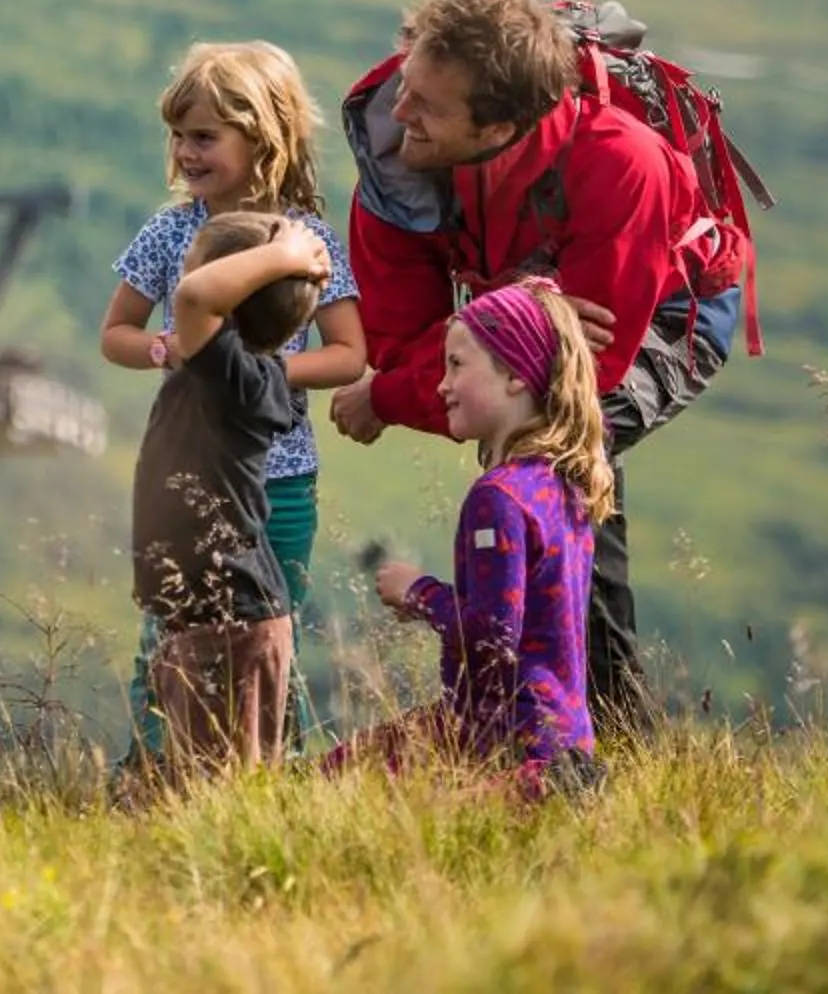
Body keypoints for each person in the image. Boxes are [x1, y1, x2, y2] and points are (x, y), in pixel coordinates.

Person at [327, 0, 744, 734]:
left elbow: (583, 377)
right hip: (532, 314)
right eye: (405, 87)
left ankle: (590, 727)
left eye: (428, 107)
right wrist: (514, 327)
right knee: (518, 427)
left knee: (553, 455)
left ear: (502, 125)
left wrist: (396, 391)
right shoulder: (401, 162)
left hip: (673, 312)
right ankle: (544, 712)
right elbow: (405, 344)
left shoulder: (620, 165)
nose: (400, 116)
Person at [99, 41, 366, 756]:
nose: (186, 152)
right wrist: (165, 351)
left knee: (267, 635)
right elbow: (117, 332)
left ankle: (270, 773)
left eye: (205, 136)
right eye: (179, 135)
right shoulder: (170, 231)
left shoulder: (307, 243)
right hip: (190, 484)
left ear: (264, 137)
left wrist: (257, 373)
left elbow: (348, 354)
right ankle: (151, 766)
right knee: (170, 639)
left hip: (280, 482)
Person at [331, 282, 611, 798]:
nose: (441, 385)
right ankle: (563, 783)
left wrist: (418, 592)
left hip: (504, 735)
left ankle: (532, 790)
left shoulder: (499, 497)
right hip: (564, 733)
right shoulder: (560, 486)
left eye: (457, 365)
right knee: (351, 765)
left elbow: (491, 636)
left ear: (513, 375)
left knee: (331, 784)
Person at [131, 209, 323, 775]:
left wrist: (286, 256)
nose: (178, 298)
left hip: (228, 618)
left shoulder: (236, 375)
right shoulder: (235, 375)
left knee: (216, 786)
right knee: (210, 780)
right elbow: (197, 299)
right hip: (212, 617)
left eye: (193, 269)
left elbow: (194, 298)